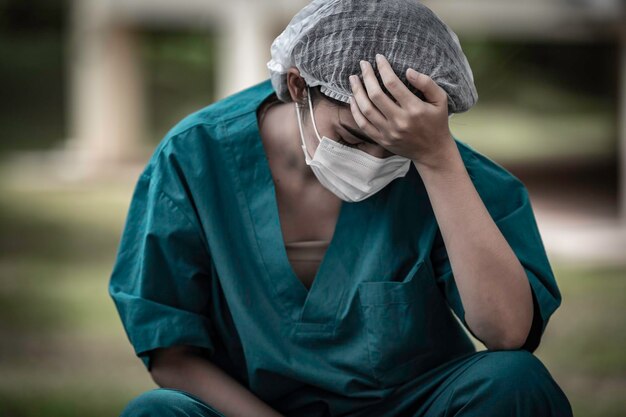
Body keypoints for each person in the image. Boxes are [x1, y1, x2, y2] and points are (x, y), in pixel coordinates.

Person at [108, 0, 574, 416]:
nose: (374, 162)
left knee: (516, 382)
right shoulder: (195, 159)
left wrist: (435, 161)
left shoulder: (450, 172)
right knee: (156, 412)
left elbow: (509, 336)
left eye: (396, 146)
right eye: (353, 137)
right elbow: (172, 353)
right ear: (297, 86)